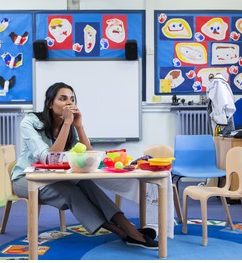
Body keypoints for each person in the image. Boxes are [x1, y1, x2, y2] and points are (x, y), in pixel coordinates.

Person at [11, 82, 158, 250]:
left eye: (72, 99)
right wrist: (67, 124)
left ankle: (127, 227)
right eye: (63, 99)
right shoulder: (29, 122)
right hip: (27, 178)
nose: (69, 103)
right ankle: (126, 233)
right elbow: (49, 159)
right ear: (50, 104)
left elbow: (89, 155)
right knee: (71, 192)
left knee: (87, 183)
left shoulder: (69, 126)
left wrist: (79, 126)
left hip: (53, 177)